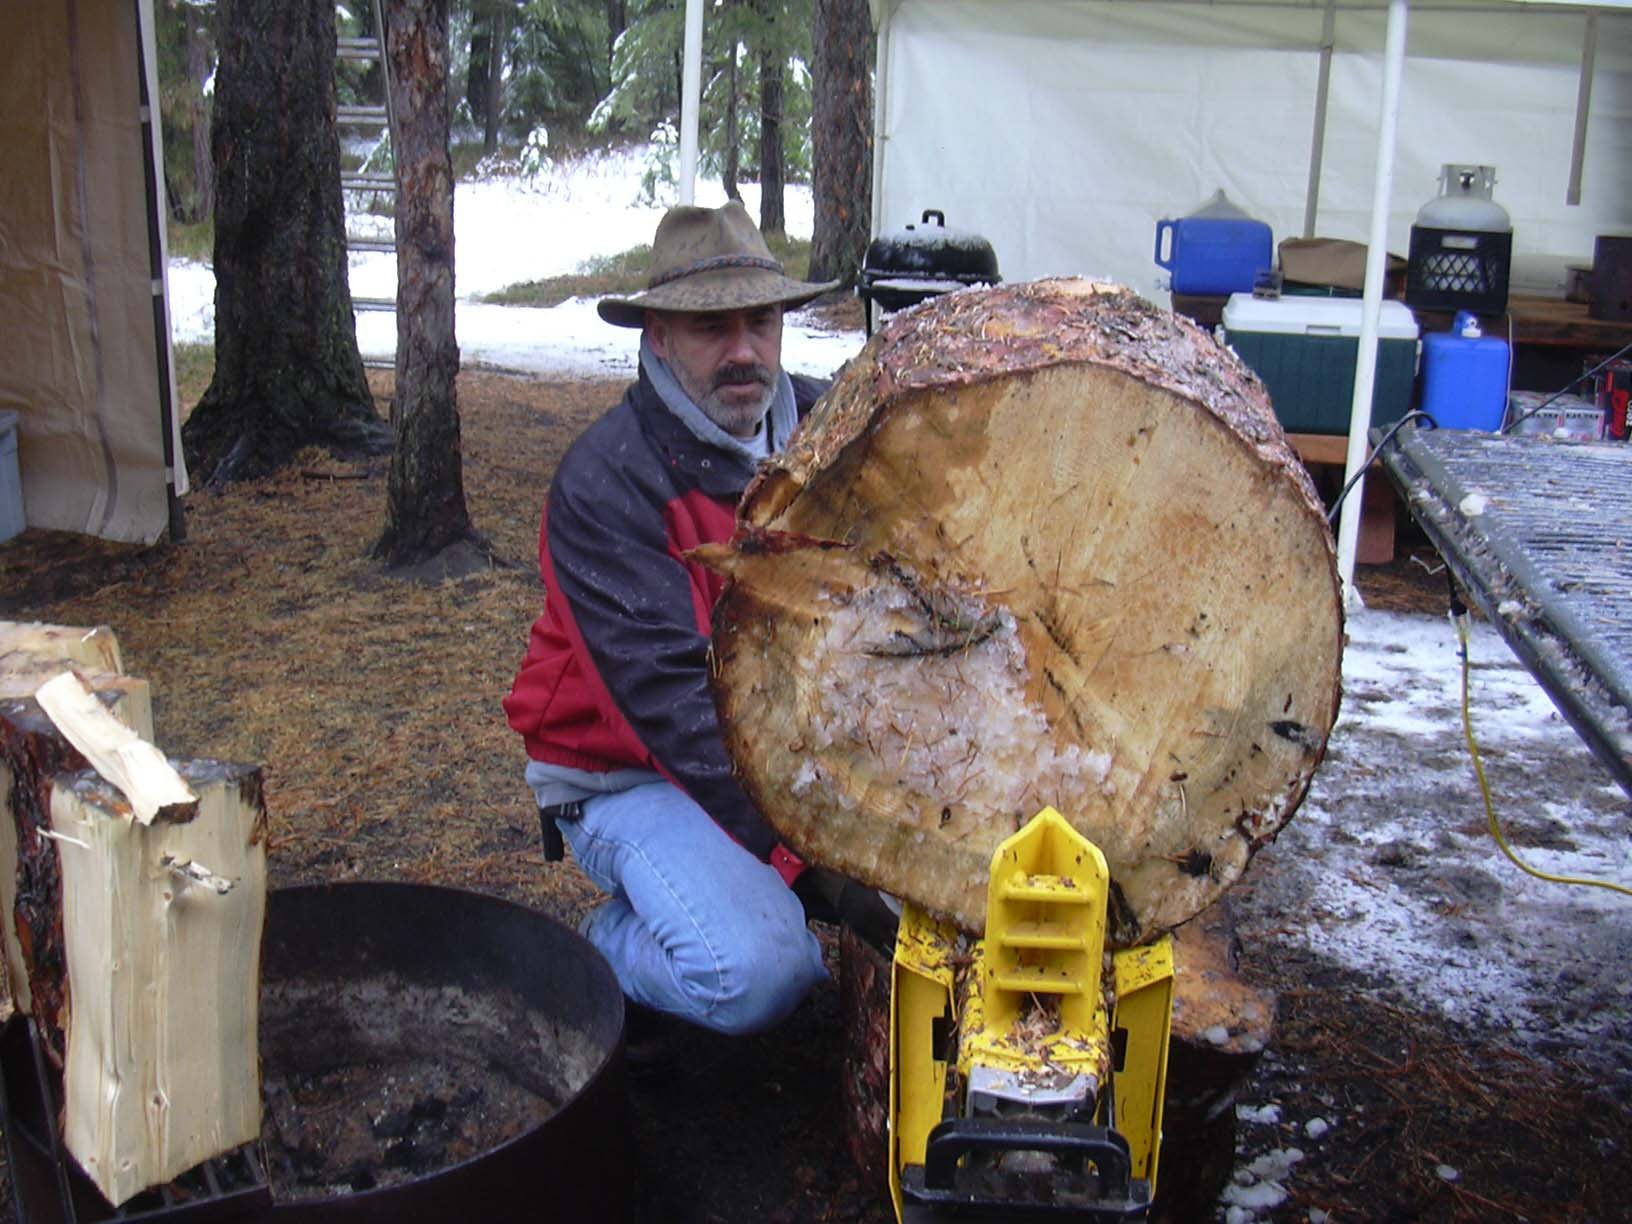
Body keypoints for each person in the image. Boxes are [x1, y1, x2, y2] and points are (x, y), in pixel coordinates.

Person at [505, 200, 876, 1037]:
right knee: (758, 969)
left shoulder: (834, 434)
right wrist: (825, 867)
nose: (744, 350)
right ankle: (600, 952)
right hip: (625, 773)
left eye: (760, 320)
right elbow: (676, 711)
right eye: (713, 327)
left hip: (791, 744)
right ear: (659, 336)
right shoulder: (606, 482)